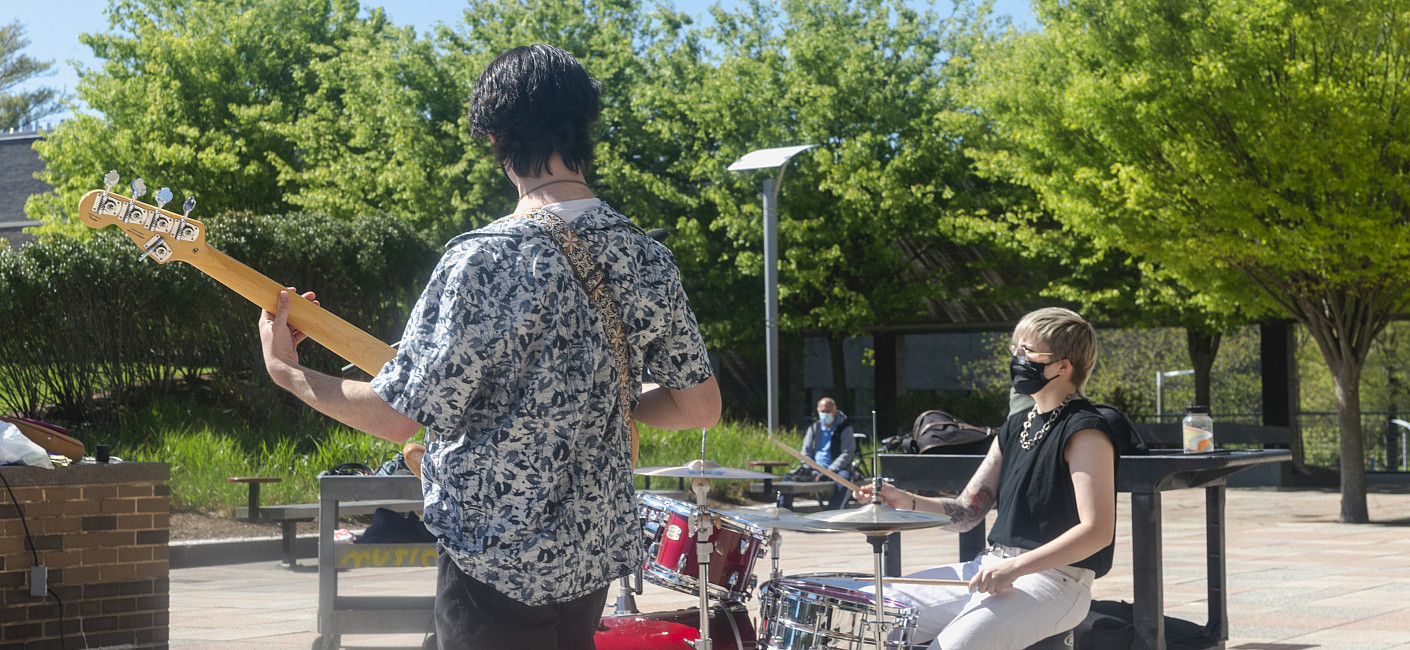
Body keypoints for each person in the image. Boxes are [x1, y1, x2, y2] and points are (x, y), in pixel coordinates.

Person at [257, 44, 721, 649]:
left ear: (496, 137)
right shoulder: (647, 257)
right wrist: (598, 395)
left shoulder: (481, 258)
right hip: (590, 561)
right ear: (584, 127)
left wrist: (285, 370)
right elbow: (699, 408)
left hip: (491, 560)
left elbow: (396, 419)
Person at [854, 307, 1117, 649]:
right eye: (1015, 350)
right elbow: (967, 511)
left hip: (1057, 580)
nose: (1016, 358)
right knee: (873, 612)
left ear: (1063, 367)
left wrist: (1016, 568)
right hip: (993, 566)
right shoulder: (1015, 427)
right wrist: (907, 502)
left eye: (1027, 352)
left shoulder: (1086, 430)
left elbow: (1096, 532)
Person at [799, 397, 857, 509]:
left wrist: (829, 471)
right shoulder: (814, 428)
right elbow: (805, 453)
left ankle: (832, 513)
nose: (825, 415)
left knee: (844, 482)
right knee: (787, 480)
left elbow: (847, 453)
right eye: (822, 412)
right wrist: (814, 469)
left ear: (835, 411)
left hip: (837, 470)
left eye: (828, 411)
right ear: (818, 412)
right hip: (814, 469)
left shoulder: (844, 428)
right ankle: (784, 515)